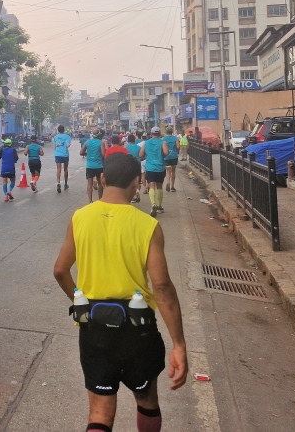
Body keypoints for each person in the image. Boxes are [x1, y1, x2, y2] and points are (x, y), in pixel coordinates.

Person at [53, 153, 187, 432]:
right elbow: (162, 286)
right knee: (147, 400)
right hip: (138, 330)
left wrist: (79, 299)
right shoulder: (147, 225)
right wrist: (179, 344)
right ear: (137, 182)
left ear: (102, 179)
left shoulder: (80, 218)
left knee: (99, 412)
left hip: (95, 326)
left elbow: (60, 271)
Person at [140, 127, 169, 217]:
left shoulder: (146, 143)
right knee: (159, 186)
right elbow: (166, 153)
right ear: (159, 134)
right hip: (160, 167)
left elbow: (141, 155)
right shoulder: (163, 142)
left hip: (150, 168)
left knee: (151, 185)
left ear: (151, 134)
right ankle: (159, 206)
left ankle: (153, 204)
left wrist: (147, 155)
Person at [80, 130, 107, 203]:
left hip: (90, 166)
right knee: (100, 183)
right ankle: (100, 199)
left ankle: (90, 200)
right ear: (99, 135)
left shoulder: (87, 142)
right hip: (99, 166)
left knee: (89, 183)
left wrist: (88, 154)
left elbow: (81, 152)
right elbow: (103, 154)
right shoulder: (101, 143)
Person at [0, 138, 19, 202]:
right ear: (10, 144)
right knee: (13, 181)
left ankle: (6, 196)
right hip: (11, 168)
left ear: (5, 144)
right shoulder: (13, 150)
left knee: (4, 182)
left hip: (4, 168)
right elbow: (16, 158)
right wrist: (14, 160)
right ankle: (9, 190)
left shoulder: (2, 150)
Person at [53, 125, 72, 193]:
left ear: (58, 130)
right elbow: (67, 145)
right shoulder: (67, 136)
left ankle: (58, 183)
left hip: (57, 154)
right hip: (65, 154)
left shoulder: (55, 137)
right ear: (64, 130)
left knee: (58, 169)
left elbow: (54, 147)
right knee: (65, 169)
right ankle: (65, 184)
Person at [125, 134, 142, 203]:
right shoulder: (139, 147)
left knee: (130, 181)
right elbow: (142, 156)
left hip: (128, 165)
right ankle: (137, 191)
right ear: (134, 140)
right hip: (138, 164)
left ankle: (132, 195)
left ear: (128, 140)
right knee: (138, 179)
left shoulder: (125, 148)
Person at [163, 127, 180, 192]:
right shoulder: (175, 138)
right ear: (172, 132)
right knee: (173, 171)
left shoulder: (164, 139)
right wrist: (177, 151)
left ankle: (168, 182)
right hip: (174, 156)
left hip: (166, 156)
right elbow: (178, 146)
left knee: (168, 171)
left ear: (166, 132)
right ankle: (172, 186)